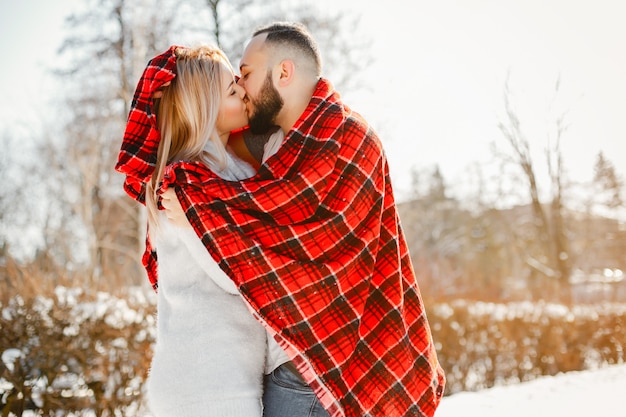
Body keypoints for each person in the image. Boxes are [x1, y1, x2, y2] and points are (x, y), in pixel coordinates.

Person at [159, 22, 446, 417]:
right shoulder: (261, 145)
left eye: (245, 74)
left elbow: (312, 248)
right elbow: (208, 158)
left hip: (320, 365)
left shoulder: (350, 140)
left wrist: (198, 214)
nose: (241, 88)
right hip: (279, 366)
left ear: (284, 72)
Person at [115, 44, 283, 417]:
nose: (242, 90)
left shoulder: (230, 169)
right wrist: (194, 223)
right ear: (201, 106)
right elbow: (233, 271)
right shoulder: (186, 181)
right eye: (230, 90)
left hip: (225, 375)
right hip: (206, 383)